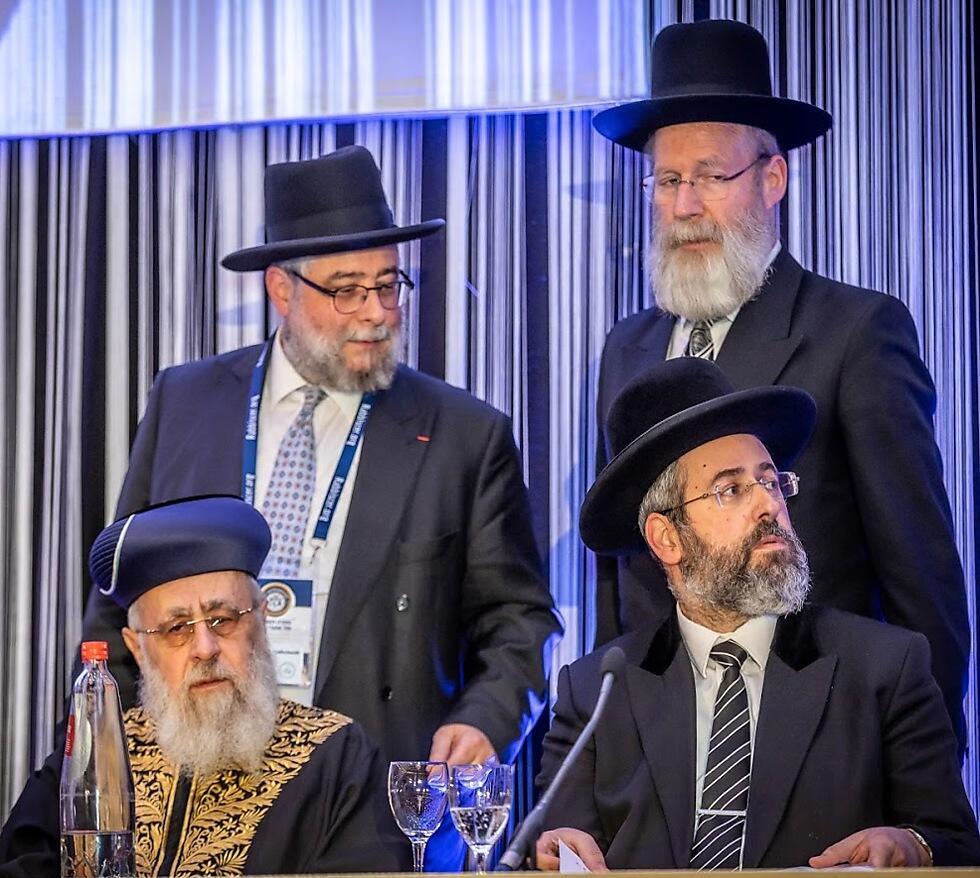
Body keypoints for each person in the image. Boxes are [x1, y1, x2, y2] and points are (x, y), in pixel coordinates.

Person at [78, 145, 562, 777]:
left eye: (389, 285)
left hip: (375, 792)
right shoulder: (184, 402)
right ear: (282, 287)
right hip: (197, 782)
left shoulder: (464, 436)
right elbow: (121, 600)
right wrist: (112, 760)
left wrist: (485, 721)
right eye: (346, 291)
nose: (376, 313)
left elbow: (519, 623)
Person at [591, 19, 968, 751]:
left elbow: (921, 579)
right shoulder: (626, 347)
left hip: (819, 741)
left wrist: (926, 794)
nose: (685, 205)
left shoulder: (857, 332)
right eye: (668, 180)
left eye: (710, 175)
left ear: (772, 178)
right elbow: (620, 580)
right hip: (660, 753)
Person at [534, 359, 980, 870]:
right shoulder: (594, 692)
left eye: (771, 482)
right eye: (731, 490)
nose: (768, 506)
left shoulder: (885, 668)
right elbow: (555, 843)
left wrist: (913, 846)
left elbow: (954, 841)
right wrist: (551, 849)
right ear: (667, 538)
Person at [0, 496, 410, 877]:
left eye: (224, 619)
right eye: (177, 628)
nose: (205, 648)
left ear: (262, 621)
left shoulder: (339, 756)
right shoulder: (97, 754)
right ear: (137, 648)